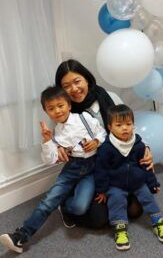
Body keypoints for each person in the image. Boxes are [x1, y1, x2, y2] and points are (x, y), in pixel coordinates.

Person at [0, 86, 106, 253]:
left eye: (60, 105)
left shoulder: (85, 118)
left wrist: (96, 142)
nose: (57, 111)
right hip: (72, 168)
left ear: (69, 105)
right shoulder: (55, 134)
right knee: (47, 202)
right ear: (46, 112)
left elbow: (103, 133)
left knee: (79, 208)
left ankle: (63, 204)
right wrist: (48, 141)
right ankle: (21, 236)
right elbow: (50, 160)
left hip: (91, 168)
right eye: (51, 108)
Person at [54, 59, 154, 228]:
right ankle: (65, 204)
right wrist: (59, 149)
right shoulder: (64, 111)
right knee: (99, 220)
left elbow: (126, 126)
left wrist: (146, 149)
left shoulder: (109, 97)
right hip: (89, 168)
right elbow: (58, 139)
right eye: (66, 85)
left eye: (77, 81)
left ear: (87, 79)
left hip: (116, 162)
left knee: (135, 210)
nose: (74, 89)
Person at [95, 104, 163, 251]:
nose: (125, 128)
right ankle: (120, 228)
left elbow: (146, 165)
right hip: (116, 185)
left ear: (133, 125)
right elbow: (101, 169)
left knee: (148, 198)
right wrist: (102, 189)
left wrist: (152, 182)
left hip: (138, 182)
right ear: (110, 127)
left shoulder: (138, 144)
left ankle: (158, 222)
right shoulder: (106, 148)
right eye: (119, 125)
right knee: (116, 201)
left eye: (128, 124)